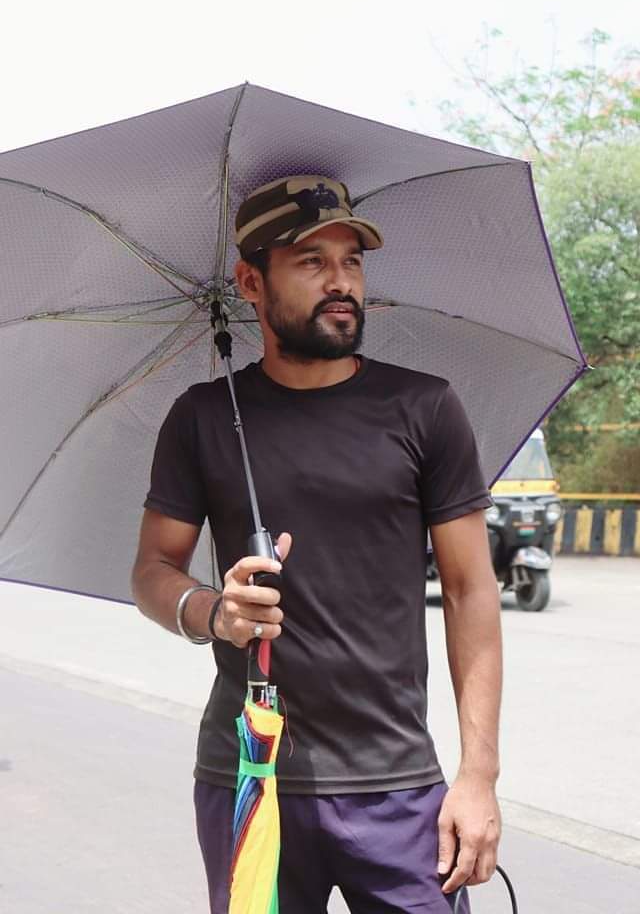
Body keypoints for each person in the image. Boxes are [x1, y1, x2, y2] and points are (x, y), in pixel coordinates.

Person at [131, 175, 502, 914]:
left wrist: (478, 776)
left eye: (351, 262)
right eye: (311, 262)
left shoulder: (424, 407)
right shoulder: (204, 417)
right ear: (251, 283)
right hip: (250, 776)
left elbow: (470, 590)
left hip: (397, 786)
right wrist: (214, 612)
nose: (341, 283)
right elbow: (153, 569)